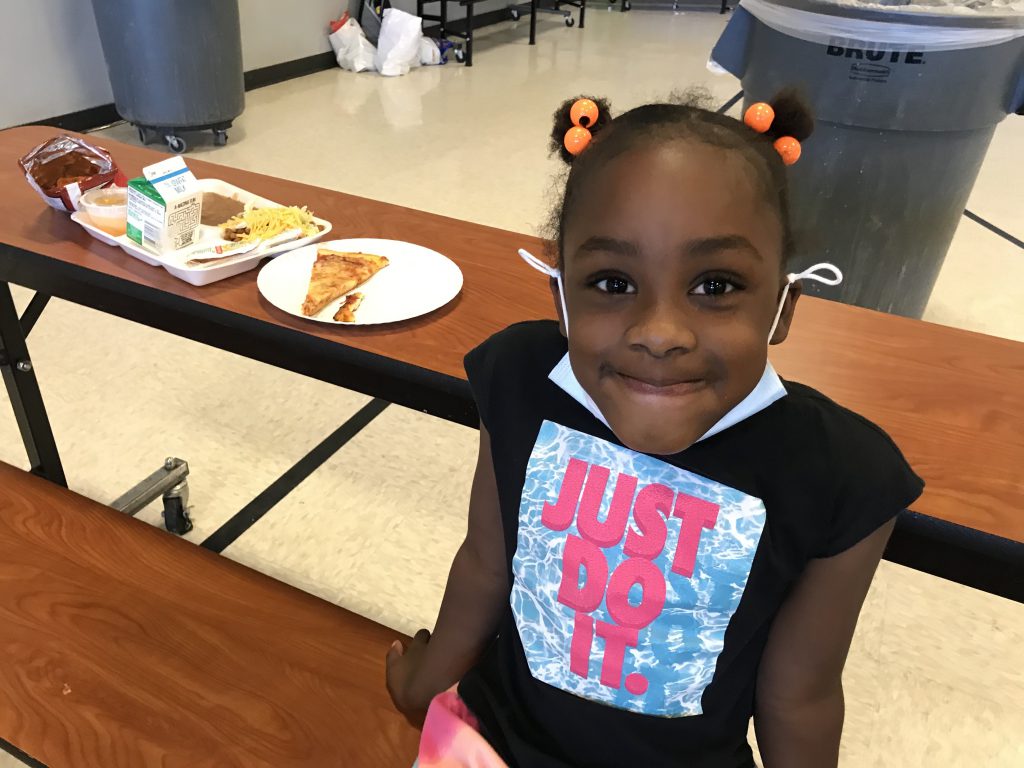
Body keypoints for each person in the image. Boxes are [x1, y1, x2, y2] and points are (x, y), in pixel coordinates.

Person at [385, 89, 924, 768]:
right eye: (612, 283)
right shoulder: (521, 378)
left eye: (716, 284)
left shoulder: (841, 474)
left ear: (783, 305)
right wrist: (425, 682)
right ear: (560, 297)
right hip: (498, 745)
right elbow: (488, 562)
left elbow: (800, 695)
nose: (660, 333)